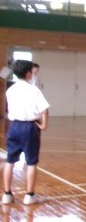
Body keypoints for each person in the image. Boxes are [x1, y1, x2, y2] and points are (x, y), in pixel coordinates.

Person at [2, 60, 50, 206]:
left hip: (14, 127)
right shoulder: (33, 90)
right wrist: (44, 125)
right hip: (29, 127)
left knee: (10, 161)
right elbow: (44, 110)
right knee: (31, 162)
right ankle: (29, 195)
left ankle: (6, 195)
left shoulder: (10, 90)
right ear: (29, 73)